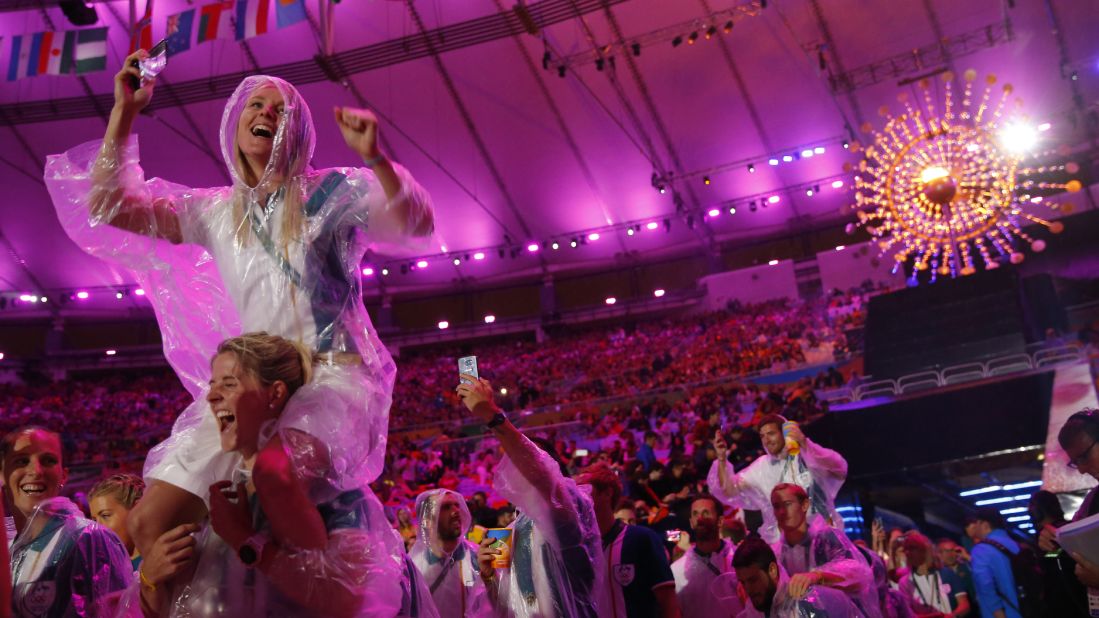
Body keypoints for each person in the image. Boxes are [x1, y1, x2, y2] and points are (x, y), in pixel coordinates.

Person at [44, 50, 434, 579]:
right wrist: (125, 113)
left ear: (298, 132)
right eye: (256, 104)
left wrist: (377, 158)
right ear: (235, 122)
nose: (267, 115)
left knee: (273, 475)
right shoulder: (217, 212)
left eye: (281, 110)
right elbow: (110, 208)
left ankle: (319, 592)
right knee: (147, 523)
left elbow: (415, 224)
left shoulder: (334, 193)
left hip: (331, 379)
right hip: (253, 385)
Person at [132, 333, 436, 617]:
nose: (211, 397)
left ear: (274, 394)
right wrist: (150, 580)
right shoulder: (219, 498)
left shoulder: (332, 494)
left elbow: (348, 600)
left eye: (229, 384)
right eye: (212, 385)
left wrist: (243, 539)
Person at [457, 375, 603, 618]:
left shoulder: (571, 504)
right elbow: (502, 608)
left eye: (524, 462)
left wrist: (493, 416)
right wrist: (488, 576)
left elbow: (545, 481)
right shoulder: (504, 534)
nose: (517, 470)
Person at [2, 426, 133, 616]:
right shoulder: (6, 549)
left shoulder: (90, 539)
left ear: (63, 475)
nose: (36, 471)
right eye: (21, 461)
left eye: (48, 460)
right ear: (2, 475)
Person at [708, 414, 847, 543]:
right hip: (785, 547)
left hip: (823, 541)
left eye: (771, 434)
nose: (766, 440)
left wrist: (804, 443)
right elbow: (729, 491)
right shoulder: (760, 468)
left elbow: (838, 468)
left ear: (784, 434)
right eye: (762, 436)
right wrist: (721, 459)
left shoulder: (807, 456)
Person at [576, 462, 679, 618]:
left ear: (607, 494)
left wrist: (676, 537)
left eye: (584, 490)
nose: (577, 497)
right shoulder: (578, 547)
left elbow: (668, 601)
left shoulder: (642, 538)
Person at [770, 483, 880, 617]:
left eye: (787, 504)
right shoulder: (776, 552)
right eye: (777, 506)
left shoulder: (826, 538)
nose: (782, 512)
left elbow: (857, 574)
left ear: (804, 505)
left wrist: (817, 576)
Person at [732, 536, 861, 617]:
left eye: (753, 580)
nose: (748, 589)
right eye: (743, 582)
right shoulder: (758, 610)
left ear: (772, 570)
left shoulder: (807, 602)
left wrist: (818, 576)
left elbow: (859, 579)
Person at [409, 489, 489, 618]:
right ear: (427, 520)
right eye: (445, 507)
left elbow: (496, 605)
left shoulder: (477, 556)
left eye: (457, 505)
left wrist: (491, 578)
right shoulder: (414, 567)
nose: (456, 511)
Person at [669, 495, 742, 618]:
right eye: (696, 514)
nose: (700, 518)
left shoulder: (738, 560)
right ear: (691, 522)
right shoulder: (676, 570)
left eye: (706, 513)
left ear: (720, 521)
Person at [897, 531, 971, 617]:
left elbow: (965, 605)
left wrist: (951, 616)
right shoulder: (905, 582)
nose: (908, 553)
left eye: (913, 548)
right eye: (907, 549)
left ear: (925, 551)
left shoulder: (946, 573)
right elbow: (907, 614)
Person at [964, 509, 1020, 618]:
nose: (975, 527)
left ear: (985, 525)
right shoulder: (1016, 545)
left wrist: (997, 613)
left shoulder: (980, 550)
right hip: (1026, 609)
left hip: (1005, 613)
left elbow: (985, 585)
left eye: (977, 523)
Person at [88, 473, 146, 570]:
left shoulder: (163, 559)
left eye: (105, 515)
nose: (97, 528)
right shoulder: (107, 570)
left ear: (136, 509)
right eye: (94, 520)